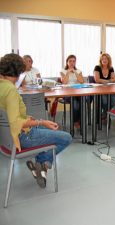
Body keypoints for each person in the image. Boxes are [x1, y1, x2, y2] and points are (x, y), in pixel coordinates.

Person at [0, 53, 72, 188]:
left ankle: (40, 165)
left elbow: (10, 116)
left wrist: (31, 120)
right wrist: (41, 122)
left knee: (52, 128)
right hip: (21, 136)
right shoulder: (10, 90)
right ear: (17, 72)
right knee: (66, 137)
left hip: (6, 137)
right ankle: (42, 163)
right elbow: (16, 122)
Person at [60, 55, 84, 128]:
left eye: (73, 61)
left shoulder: (78, 71)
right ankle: (75, 121)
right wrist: (68, 73)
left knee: (82, 101)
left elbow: (81, 81)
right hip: (67, 93)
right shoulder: (62, 71)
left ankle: (81, 121)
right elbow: (64, 82)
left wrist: (75, 72)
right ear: (67, 62)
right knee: (76, 105)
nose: (72, 63)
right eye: (70, 61)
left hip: (77, 92)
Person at [93, 53, 115, 118]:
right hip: (100, 90)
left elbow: (114, 79)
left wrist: (105, 81)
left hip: (109, 89)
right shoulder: (97, 67)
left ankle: (105, 112)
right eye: (103, 59)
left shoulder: (111, 68)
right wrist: (108, 81)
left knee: (114, 99)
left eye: (106, 59)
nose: (104, 60)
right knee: (104, 100)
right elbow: (97, 80)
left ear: (109, 60)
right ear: (100, 60)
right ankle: (106, 113)